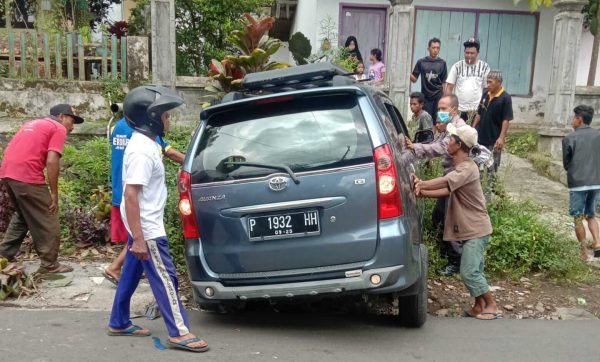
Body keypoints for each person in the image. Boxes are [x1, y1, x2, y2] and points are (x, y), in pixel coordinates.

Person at [107, 85, 208, 352]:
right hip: (148, 229)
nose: (168, 119)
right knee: (166, 278)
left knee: (130, 272)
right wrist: (140, 238)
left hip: (143, 224)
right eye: (165, 116)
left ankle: (118, 321)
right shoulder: (142, 151)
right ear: (150, 118)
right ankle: (179, 332)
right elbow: (130, 195)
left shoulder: (148, 144)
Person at [414, 124, 501, 320]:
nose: (448, 142)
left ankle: (492, 305)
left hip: (477, 229)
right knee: (474, 269)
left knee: (469, 271)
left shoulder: (468, 168)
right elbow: (447, 190)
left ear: (459, 145)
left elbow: (446, 182)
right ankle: (479, 305)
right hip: (471, 228)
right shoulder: (460, 167)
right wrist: (422, 193)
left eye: (451, 139)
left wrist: (420, 183)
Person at [0, 104, 84, 273]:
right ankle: (49, 265)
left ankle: (4, 254)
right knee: (48, 215)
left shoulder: (31, 124)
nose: (72, 126)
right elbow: (52, 161)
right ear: (61, 116)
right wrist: (54, 193)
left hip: (7, 174)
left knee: (23, 215)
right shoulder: (57, 127)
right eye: (71, 120)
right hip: (27, 176)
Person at [103, 116, 185, 285]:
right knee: (142, 238)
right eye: (167, 116)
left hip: (121, 187)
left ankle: (116, 268)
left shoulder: (117, 127)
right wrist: (193, 162)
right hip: (138, 193)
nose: (168, 119)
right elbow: (169, 151)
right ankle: (116, 267)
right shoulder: (143, 133)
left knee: (136, 238)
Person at [404, 95, 466, 276]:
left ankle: (456, 261)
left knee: (450, 220)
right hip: (450, 176)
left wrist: (416, 147)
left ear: (454, 110)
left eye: (444, 109)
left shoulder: (458, 129)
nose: (440, 112)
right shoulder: (447, 127)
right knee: (439, 216)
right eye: (439, 108)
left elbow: (440, 148)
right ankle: (446, 252)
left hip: (458, 180)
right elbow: (435, 143)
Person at [562, 105, 600, 261]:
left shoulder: (569, 138)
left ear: (579, 119)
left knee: (577, 216)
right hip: (597, 181)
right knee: (591, 214)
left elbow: (566, 163)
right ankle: (597, 244)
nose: (572, 121)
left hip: (578, 182)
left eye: (573, 118)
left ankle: (584, 252)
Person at [471, 70, 513, 198]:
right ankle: (476, 193)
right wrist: (472, 129)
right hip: (480, 137)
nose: (488, 84)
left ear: (499, 83)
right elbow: (479, 113)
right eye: (487, 81)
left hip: (493, 140)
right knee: (476, 165)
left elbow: (506, 119)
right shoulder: (485, 94)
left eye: (490, 82)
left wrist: (501, 138)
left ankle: (488, 197)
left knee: (491, 168)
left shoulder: (505, 98)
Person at [445, 38, 490, 123]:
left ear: (477, 53)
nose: (469, 55)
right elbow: (449, 88)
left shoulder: (484, 67)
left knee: (473, 134)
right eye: (467, 53)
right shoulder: (457, 66)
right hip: (458, 109)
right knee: (457, 133)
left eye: (472, 53)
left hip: (476, 110)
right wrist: (447, 106)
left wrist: (482, 108)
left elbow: (486, 89)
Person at [411, 37, 448, 122]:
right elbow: (414, 79)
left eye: (438, 48)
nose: (435, 50)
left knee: (439, 121)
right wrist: (405, 70)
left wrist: (444, 98)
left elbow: (444, 82)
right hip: (425, 96)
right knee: (426, 119)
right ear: (428, 49)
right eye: (433, 47)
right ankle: (427, 135)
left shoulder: (442, 63)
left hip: (438, 95)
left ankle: (436, 135)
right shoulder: (421, 62)